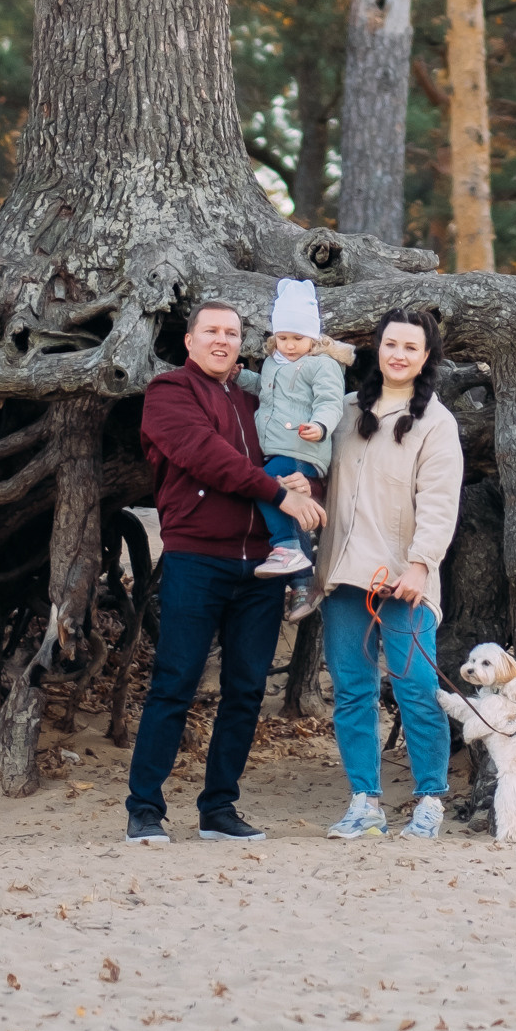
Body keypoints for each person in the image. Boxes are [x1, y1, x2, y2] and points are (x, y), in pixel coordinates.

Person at [124, 296, 325, 845]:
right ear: (189, 341)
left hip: (263, 565)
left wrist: (307, 484)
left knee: (245, 688)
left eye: (232, 333)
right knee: (175, 683)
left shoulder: (258, 400)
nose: (221, 340)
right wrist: (277, 494)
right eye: (211, 331)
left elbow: (293, 457)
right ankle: (144, 809)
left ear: (242, 344)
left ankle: (219, 808)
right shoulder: (168, 392)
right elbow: (203, 453)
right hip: (197, 557)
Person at [319, 307, 464, 842]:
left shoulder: (436, 423)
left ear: (426, 357)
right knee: (353, 691)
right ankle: (365, 802)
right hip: (343, 575)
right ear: (376, 349)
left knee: (416, 687)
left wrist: (421, 566)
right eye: (390, 344)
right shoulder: (345, 410)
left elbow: (440, 503)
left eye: (410, 347)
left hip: (405, 580)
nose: (398, 355)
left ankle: (430, 798)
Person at [254, 276, 345, 606]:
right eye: (283, 337)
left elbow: (330, 401)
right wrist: (244, 378)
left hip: (301, 447)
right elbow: (266, 393)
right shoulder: (271, 363)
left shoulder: (321, 365)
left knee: (266, 486)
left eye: (298, 337)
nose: (290, 345)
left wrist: (321, 426)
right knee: (286, 502)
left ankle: (287, 548)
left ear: (313, 336)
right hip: (278, 448)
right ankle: (303, 585)